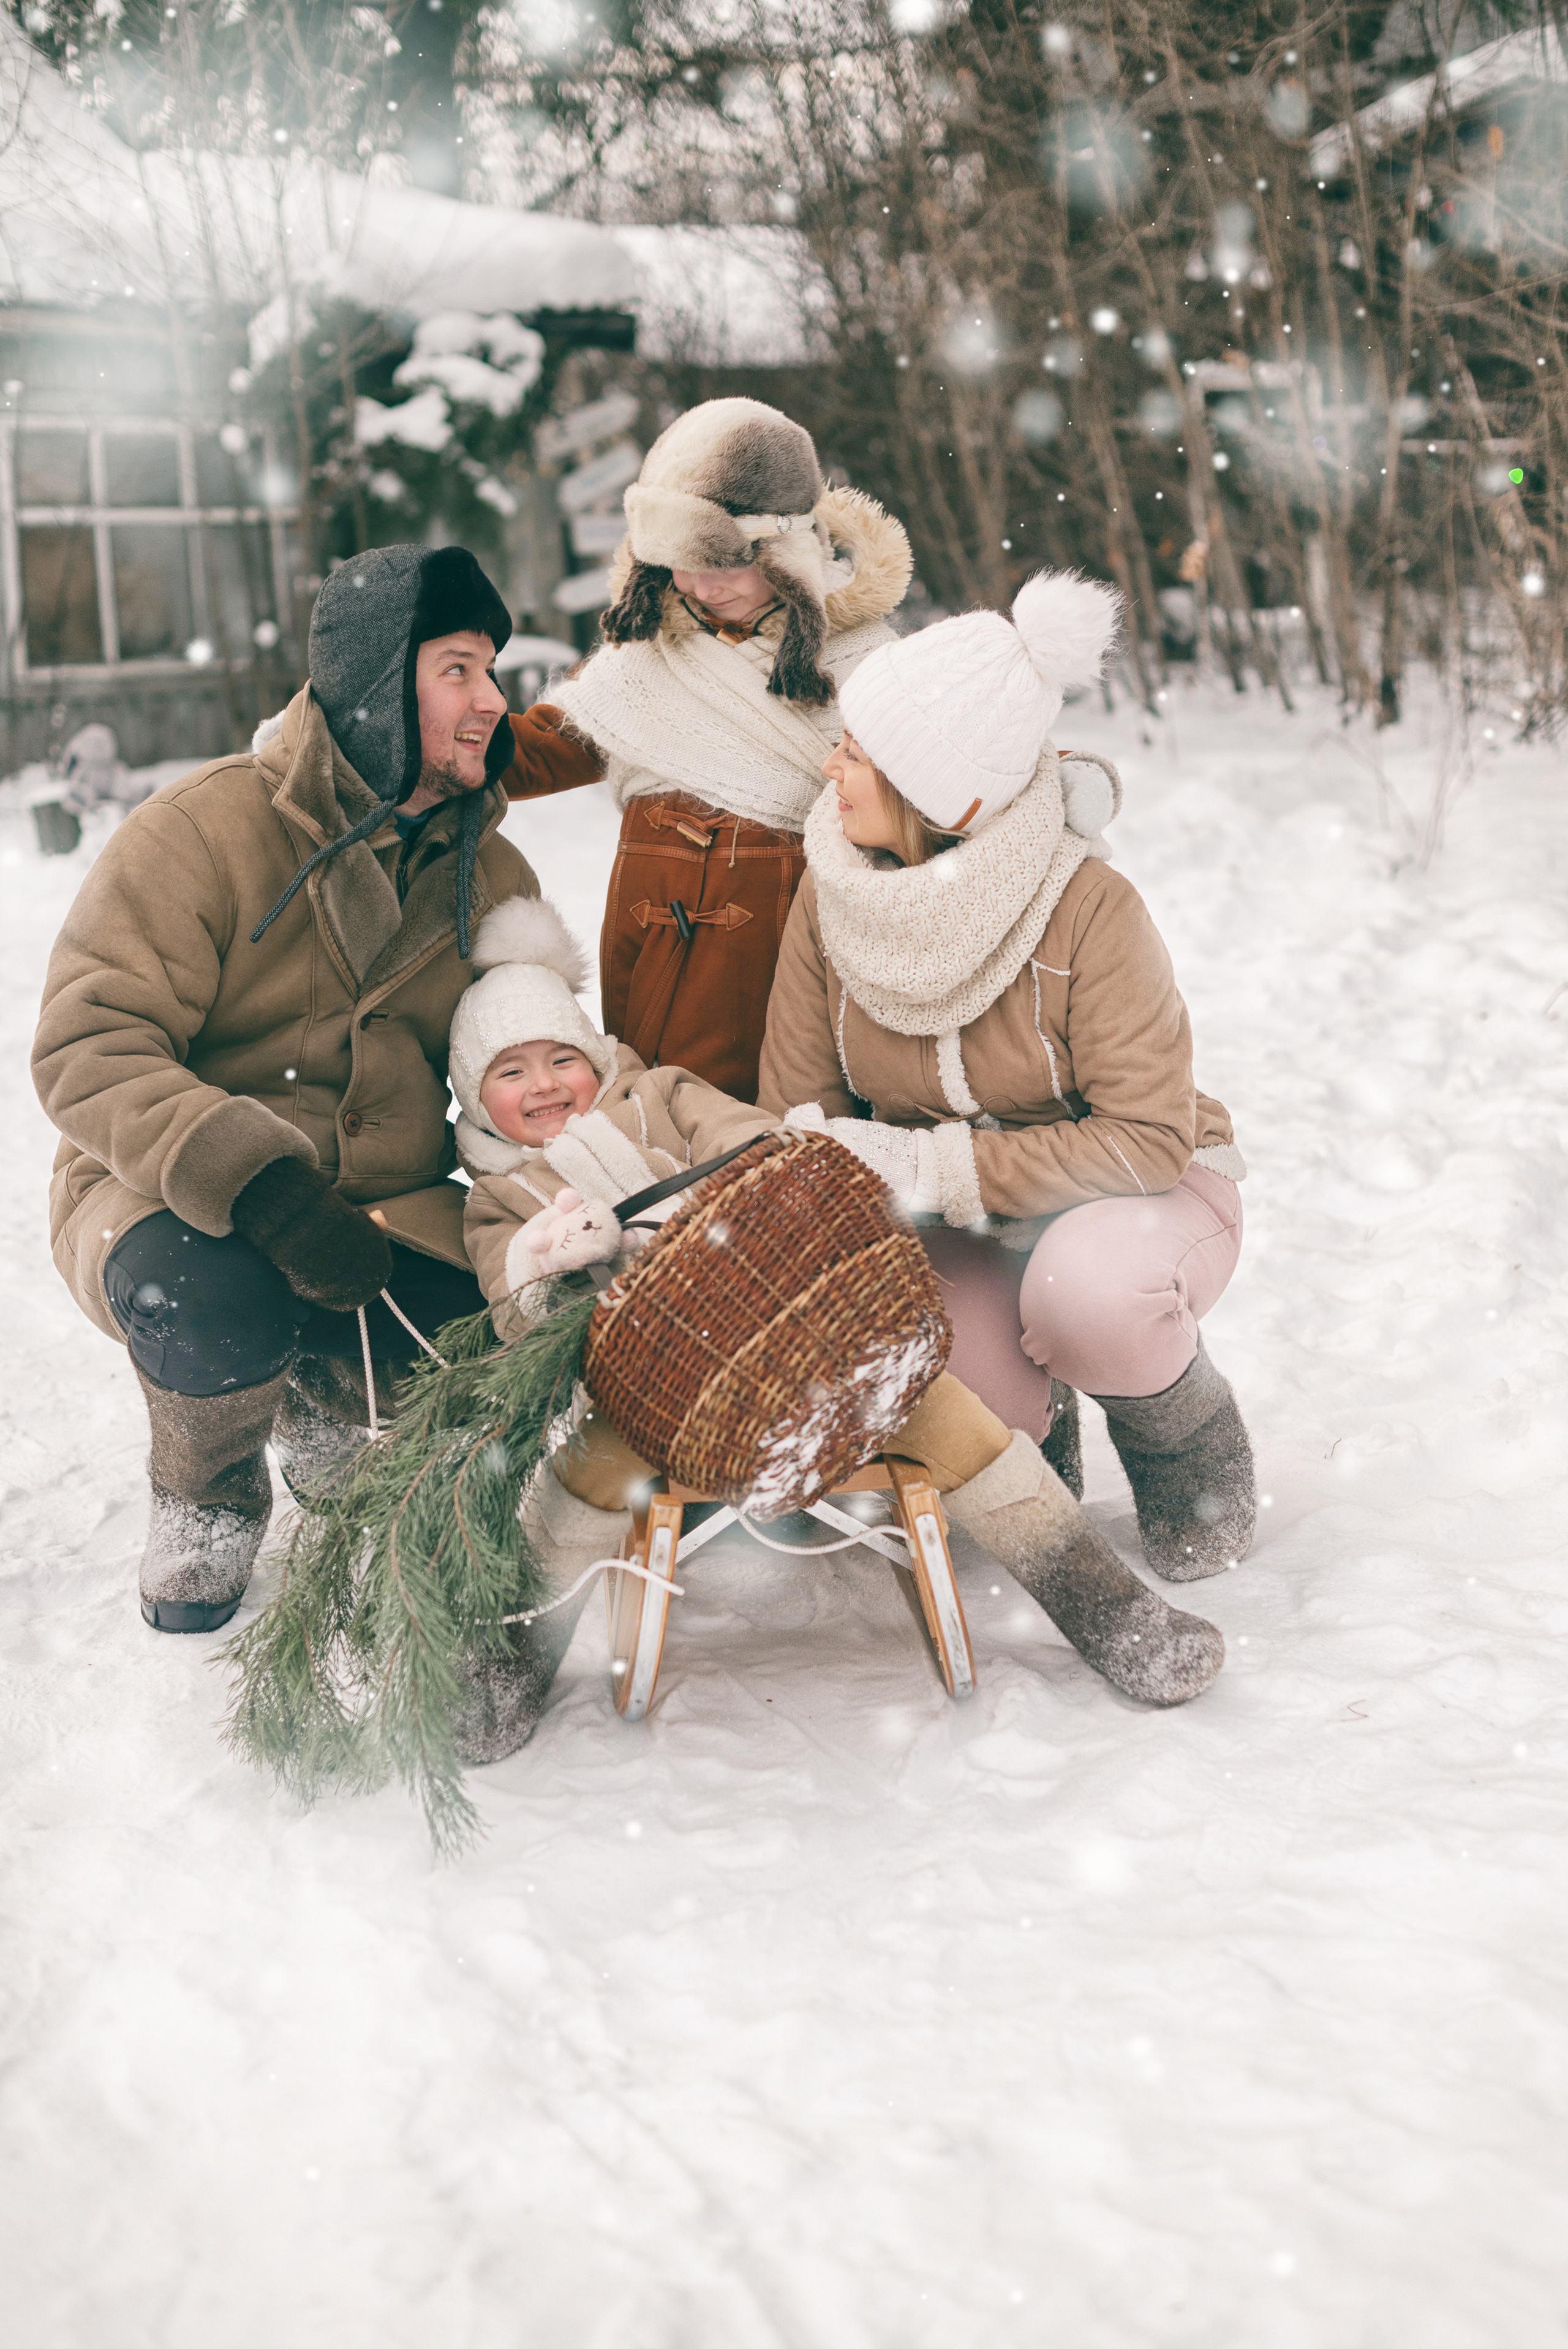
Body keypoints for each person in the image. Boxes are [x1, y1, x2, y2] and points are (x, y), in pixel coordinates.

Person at [439, 897, 1226, 1763]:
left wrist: (700, 1206)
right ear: (476, 1095)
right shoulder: (500, 1195)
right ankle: (510, 1656)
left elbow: (755, 1140)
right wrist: (554, 1264)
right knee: (581, 1475)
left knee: (947, 1411)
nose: (545, 1084)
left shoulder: (660, 1095)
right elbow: (515, 1309)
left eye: (562, 1057)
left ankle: (1106, 1605)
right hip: (658, 1396)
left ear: (595, 1056)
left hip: (808, 1337)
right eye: (511, 1073)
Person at [31, 543, 535, 1634]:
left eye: (493, 668)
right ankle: (205, 1492)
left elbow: (537, 1061)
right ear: (377, 686)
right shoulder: (203, 829)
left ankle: (324, 1398)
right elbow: (87, 1040)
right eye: (459, 668)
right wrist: (258, 1183)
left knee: (503, 1345)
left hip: (387, 1220)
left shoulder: (489, 873)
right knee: (214, 1299)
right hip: (172, 1198)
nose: (494, 699)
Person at [756, 569, 1257, 1586]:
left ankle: (1191, 1460)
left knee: (1091, 1297)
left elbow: (1144, 1137)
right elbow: (799, 1112)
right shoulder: (831, 896)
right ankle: (1038, 1438)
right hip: (963, 1227)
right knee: (949, 1377)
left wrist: (932, 1168)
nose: (829, 765)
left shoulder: (1088, 905)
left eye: (856, 750)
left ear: (939, 793)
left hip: (1140, 1196)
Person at [493, 396, 913, 1102]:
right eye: (680, 564)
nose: (699, 585)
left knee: (782, 1134)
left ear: (781, 550)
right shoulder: (646, 658)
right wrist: (426, 737)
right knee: (662, 1133)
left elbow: (938, 778)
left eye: (721, 563)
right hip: (659, 960)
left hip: (797, 959)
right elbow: (538, 750)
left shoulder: (867, 661)